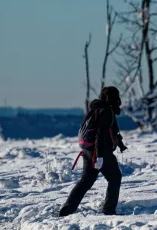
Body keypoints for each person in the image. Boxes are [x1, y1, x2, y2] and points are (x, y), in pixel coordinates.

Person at [59, 86, 127, 217]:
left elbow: (111, 131)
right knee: (115, 178)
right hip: (101, 152)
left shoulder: (96, 109)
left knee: (86, 181)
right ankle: (109, 210)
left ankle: (66, 211)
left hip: (88, 152)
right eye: (116, 96)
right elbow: (100, 135)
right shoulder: (105, 112)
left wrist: (120, 144)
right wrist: (100, 157)